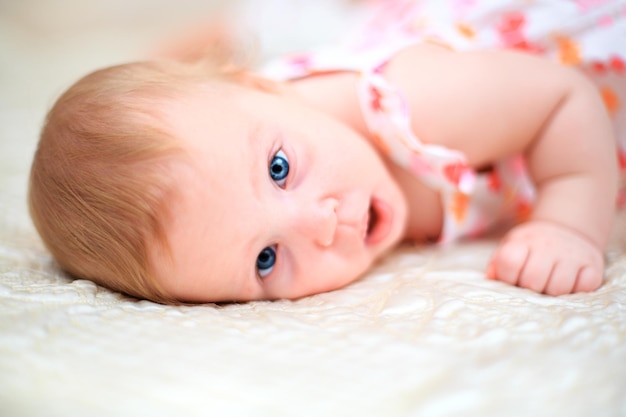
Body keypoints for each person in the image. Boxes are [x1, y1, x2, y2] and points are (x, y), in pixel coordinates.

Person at [29, 0, 626, 304]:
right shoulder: (255, 127)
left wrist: (567, 223)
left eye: (280, 170)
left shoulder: (419, 103)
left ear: (261, 87)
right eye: (266, 259)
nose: (320, 224)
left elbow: (564, 100)